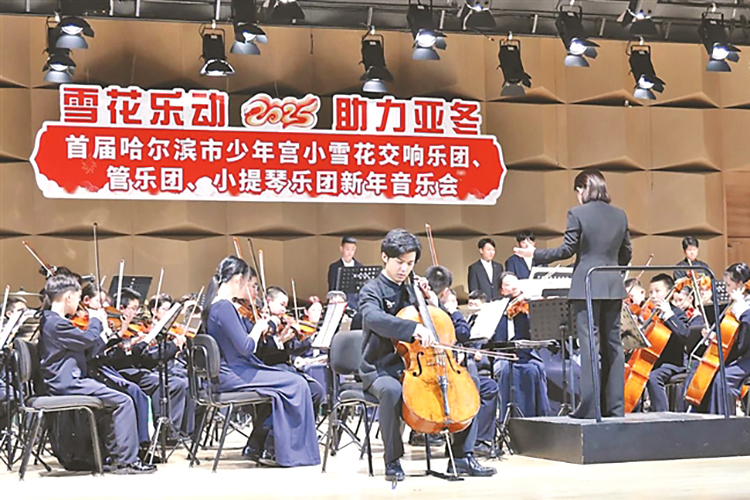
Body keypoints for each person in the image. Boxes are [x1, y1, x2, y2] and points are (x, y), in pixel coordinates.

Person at [359, 230, 494, 482]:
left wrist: (432, 300)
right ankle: (392, 460)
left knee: (469, 384)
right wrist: (412, 329)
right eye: (399, 262)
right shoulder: (371, 290)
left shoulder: (413, 290)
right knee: (391, 391)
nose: (404, 269)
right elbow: (373, 318)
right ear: (384, 257)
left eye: (410, 263)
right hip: (381, 367)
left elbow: (439, 322)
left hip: (421, 364)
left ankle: (462, 457)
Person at [514, 169, 632, 419]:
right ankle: (615, 408)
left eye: (578, 191)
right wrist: (612, 272)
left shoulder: (577, 213)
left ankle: (590, 408)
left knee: (589, 345)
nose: (577, 196)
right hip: (612, 285)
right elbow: (626, 253)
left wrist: (535, 254)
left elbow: (566, 250)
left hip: (586, 286)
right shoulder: (620, 215)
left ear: (583, 189)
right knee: (614, 345)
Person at [203, 256, 320, 467]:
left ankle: (273, 447)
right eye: (248, 282)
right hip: (234, 374)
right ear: (238, 279)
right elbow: (246, 346)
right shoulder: (223, 307)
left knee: (293, 380)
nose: (250, 289)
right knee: (297, 383)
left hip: (232, 371)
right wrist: (258, 328)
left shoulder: (215, 306)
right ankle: (286, 452)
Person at [37, 274, 155, 474]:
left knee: (117, 398)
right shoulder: (56, 323)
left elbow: (88, 348)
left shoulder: (53, 321)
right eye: (78, 297)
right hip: (68, 382)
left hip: (70, 379)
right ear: (68, 297)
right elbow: (88, 339)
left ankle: (113, 456)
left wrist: (107, 334)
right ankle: (126, 462)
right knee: (123, 401)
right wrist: (95, 320)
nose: (79, 303)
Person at [425, 265, 499, 462]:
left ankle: (475, 441)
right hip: (438, 373)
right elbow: (464, 334)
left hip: (434, 369)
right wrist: (453, 310)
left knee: (488, 386)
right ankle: (467, 448)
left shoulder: (427, 306)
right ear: (445, 292)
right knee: (474, 384)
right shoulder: (440, 312)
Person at [685, 263, 750, 414]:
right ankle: (701, 416)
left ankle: (723, 421)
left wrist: (740, 306)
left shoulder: (744, 306)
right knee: (701, 371)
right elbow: (733, 336)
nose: (726, 289)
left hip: (747, 358)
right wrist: (714, 337)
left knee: (722, 379)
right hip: (737, 355)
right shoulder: (734, 306)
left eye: (728, 285)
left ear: (740, 285)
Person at [489, 272, 551, 420]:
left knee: (534, 369)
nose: (513, 286)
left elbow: (538, 332)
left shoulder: (526, 304)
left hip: (527, 355)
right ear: (501, 291)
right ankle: (509, 418)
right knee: (505, 371)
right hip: (504, 355)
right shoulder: (497, 310)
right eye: (508, 284)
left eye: (515, 281)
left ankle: (538, 417)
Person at [255, 286, 325, 414]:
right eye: (281, 304)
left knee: (316, 390)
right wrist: (280, 340)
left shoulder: (283, 324)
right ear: (269, 301)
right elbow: (261, 352)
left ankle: (306, 426)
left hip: (285, 368)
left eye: (285, 306)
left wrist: (301, 339)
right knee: (305, 389)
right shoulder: (261, 322)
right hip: (269, 369)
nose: (284, 310)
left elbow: (292, 350)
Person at [642, 274, 690, 412]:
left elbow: (684, 334)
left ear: (669, 292)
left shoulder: (677, 313)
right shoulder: (652, 314)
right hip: (655, 360)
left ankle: (662, 414)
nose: (653, 296)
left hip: (674, 363)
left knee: (653, 377)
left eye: (657, 291)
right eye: (651, 292)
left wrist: (668, 315)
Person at [327, 236, 363, 311]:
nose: (350, 253)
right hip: (339, 306)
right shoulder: (334, 267)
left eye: (352, 249)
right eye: (347, 249)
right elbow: (332, 288)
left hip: (356, 306)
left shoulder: (359, 267)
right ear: (341, 249)